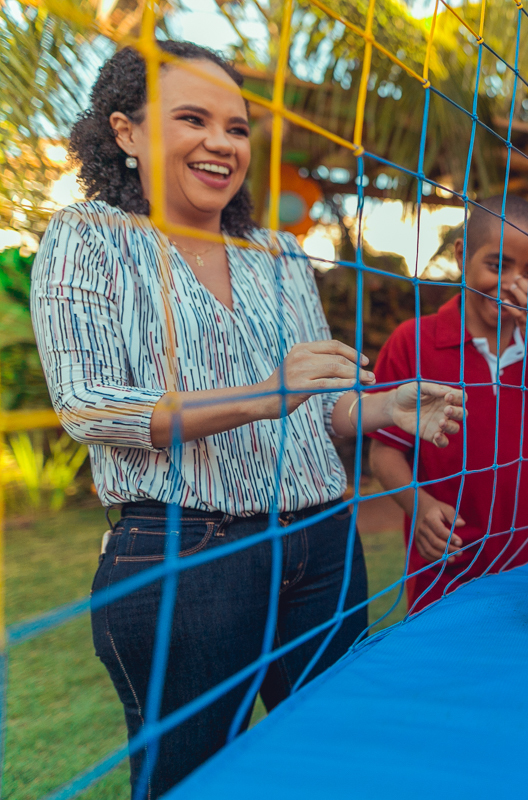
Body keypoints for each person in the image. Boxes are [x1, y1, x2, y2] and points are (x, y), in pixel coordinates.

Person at [31, 41, 463, 798]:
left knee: (339, 764)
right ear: (126, 133)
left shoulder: (280, 255)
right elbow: (89, 405)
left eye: (236, 127)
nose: (221, 144)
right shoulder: (86, 236)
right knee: (194, 780)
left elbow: (313, 409)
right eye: (193, 119)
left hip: (322, 541)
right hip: (187, 554)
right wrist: (267, 392)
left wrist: (379, 409)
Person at [368, 195, 528, 612]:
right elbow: (384, 453)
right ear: (463, 256)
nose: (513, 284)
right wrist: (418, 505)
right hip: (446, 563)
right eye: (498, 266)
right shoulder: (414, 341)